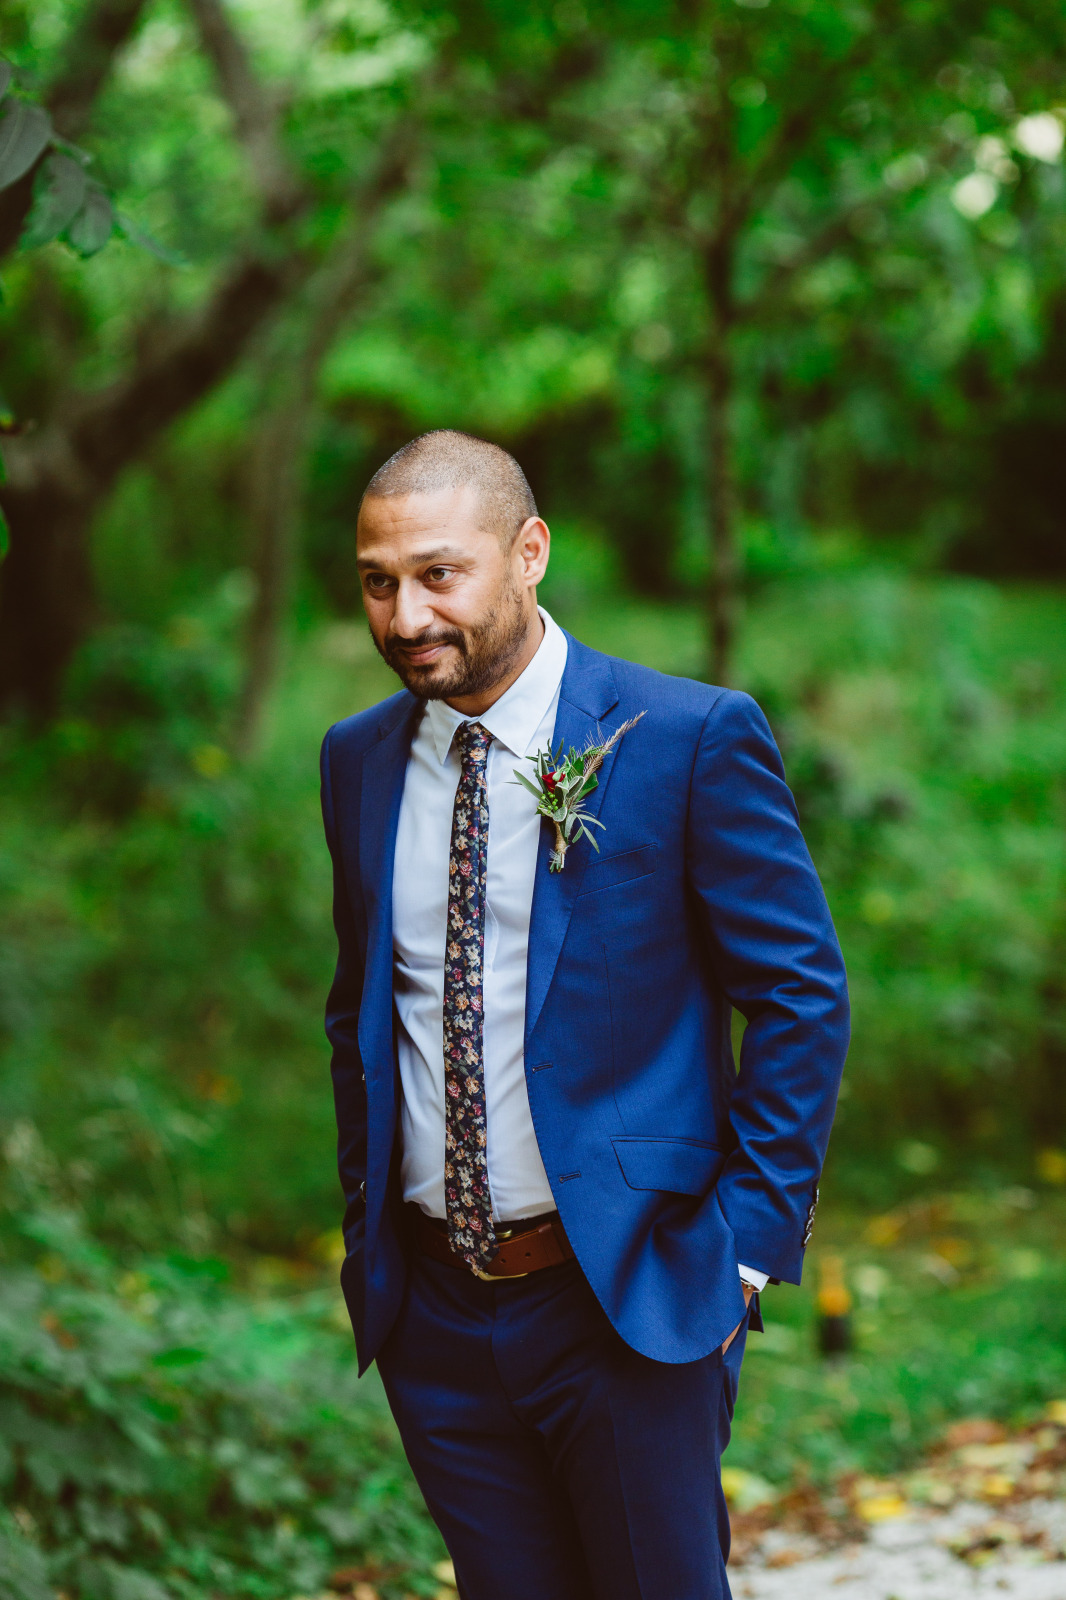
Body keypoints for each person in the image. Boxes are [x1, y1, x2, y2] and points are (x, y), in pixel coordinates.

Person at [320, 429, 849, 1600]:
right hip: (434, 1317)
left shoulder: (686, 737)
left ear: (529, 552)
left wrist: (740, 1254)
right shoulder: (356, 760)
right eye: (377, 581)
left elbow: (800, 996)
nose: (405, 616)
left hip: (628, 1298)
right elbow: (360, 1010)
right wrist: (374, 1238)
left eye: (438, 574)